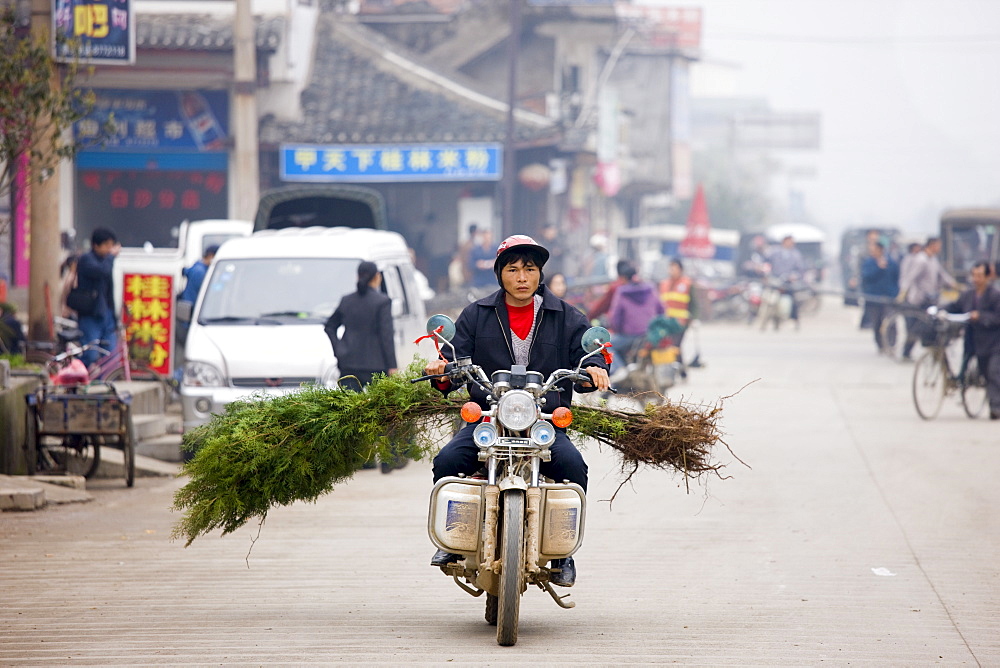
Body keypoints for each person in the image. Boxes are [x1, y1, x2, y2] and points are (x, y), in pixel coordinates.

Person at [424, 234, 611, 586]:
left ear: (540, 274)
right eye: (513, 269)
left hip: (542, 421)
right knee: (447, 461)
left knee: (574, 467)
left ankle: (562, 553)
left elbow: (588, 354)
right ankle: (453, 538)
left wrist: (595, 368)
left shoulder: (566, 316)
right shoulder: (476, 314)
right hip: (488, 419)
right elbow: (452, 360)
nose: (522, 277)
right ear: (500, 274)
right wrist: (441, 368)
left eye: (530, 269)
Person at [324, 261, 402, 473]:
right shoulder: (382, 301)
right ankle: (386, 461)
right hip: (376, 365)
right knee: (384, 413)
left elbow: (329, 326)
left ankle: (361, 461)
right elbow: (386, 336)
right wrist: (392, 366)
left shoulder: (346, 301)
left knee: (354, 413)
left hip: (348, 363)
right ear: (376, 277)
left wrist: (339, 349)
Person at [942, 261, 1000, 419]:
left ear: (988, 276)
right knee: (983, 372)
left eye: (980, 275)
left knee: (994, 372)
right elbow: (954, 306)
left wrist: (981, 316)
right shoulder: (968, 295)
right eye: (974, 275)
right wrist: (938, 309)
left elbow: (997, 317)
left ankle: (996, 407)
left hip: (994, 343)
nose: (976, 279)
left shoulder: (995, 295)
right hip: (974, 340)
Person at [899, 237, 958, 360]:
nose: (939, 248)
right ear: (932, 245)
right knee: (917, 326)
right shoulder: (921, 260)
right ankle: (906, 351)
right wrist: (903, 291)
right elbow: (910, 277)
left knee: (933, 323)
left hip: (931, 298)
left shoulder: (932, 259)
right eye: (938, 245)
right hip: (919, 299)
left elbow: (942, 275)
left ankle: (932, 349)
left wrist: (954, 284)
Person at [75, 228, 120, 368]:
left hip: (107, 314)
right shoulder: (86, 260)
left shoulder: (105, 261)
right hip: (91, 315)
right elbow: (102, 271)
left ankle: (103, 384)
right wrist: (111, 257)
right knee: (91, 354)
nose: (109, 249)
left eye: (111, 245)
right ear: (96, 245)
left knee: (111, 354)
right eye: (107, 245)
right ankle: (77, 377)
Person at [608, 262, 663, 373]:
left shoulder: (622, 292)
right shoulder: (650, 290)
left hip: (630, 335)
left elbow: (615, 318)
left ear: (623, 278)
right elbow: (661, 310)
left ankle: (618, 370)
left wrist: (618, 329)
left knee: (605, 346)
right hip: (649, 335)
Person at [658, 258, 697, 373]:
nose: (671, 271)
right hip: (667, 322)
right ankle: (680, 370)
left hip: (681, 322)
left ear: (681, 270)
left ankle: (679, 371)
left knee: (675, 345)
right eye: (670, 268)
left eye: (674, 268)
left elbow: (694, 304)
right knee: (671, 346)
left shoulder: (687, 284)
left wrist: (694, 319)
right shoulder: (664, 284)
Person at [860, 240, 900, 353]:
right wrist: (878, 268)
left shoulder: (891, 263)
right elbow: (866, 277)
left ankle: (891, 344)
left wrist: (896, 293)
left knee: (891, 322)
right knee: (877, 323)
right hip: (874, 298)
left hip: (889, 297)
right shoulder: (869, 263)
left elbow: (896, 278)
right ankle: (880, 345)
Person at [766, 235, 806, 325]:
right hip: (776, 279)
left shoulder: (796, 254)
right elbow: (767, 261)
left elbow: (800, 269)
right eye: (789, 241)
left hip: (788, 281)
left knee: (793, 300)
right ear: (783, 242)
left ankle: (795, 319)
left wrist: (794, 276)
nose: (790, 244)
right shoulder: (775, 252)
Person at [586, 259, 633, 323]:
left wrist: (589, 317)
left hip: (622, 327)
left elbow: (602, 306)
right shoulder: (643, 287)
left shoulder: (616, 287)